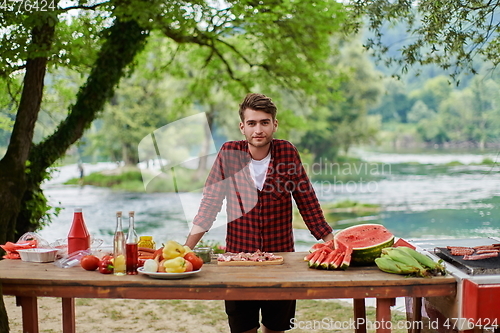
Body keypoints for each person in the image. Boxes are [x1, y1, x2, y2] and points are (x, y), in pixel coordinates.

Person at [185, 93, 333, 333]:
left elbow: (307, 202)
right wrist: (186, 249)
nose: (258, 129)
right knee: (244, 329)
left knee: (275, 329)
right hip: (237, 262)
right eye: (252, 123)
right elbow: (210, 205)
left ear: (275, 124)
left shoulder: (287, 152)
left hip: (281, 260)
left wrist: (334, 243)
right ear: (242, 127)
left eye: (265, 122)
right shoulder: (229, 153)